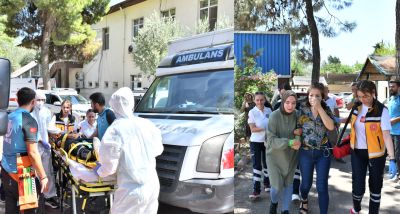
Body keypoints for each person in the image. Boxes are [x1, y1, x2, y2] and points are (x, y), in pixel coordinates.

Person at [94, 87, 163, 214]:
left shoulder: (115, 129)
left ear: (114, 107)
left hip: (131, 190)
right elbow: (158, 149)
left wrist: (99, 170)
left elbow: (109, 165)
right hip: (152, 185)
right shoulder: (146, 124)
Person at [349, 80, 397, 214]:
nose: (363, 99)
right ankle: (356, 208)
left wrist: (392, 159)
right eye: (359, 96)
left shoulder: (382, 110)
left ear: (373, 93)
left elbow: (387, 135)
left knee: (375, 187)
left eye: (366, 96)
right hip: (357, 152)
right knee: (358, 187)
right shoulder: (356, 107)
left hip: (377, 155)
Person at [1, 87, 49, 213]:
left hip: (6, 170)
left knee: (11, 208)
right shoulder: (28, 120)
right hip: (22, 173)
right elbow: (33, 152)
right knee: (30, 209)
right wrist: (43, 176)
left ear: (17, 101)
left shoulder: (9, 117)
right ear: (33, 101)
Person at [297, 82, 335, 214]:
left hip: (322, 153)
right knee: (306, 185)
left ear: (322, 97)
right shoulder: (301, 108)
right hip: (305, 153)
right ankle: (304, 199)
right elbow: (295, 128)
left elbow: (330, 127)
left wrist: (319, 108)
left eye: (317, 95)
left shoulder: (326, 108)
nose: (313, 98)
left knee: (322, 187)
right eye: (311, 95)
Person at [266, 90, 301, 214]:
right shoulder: (274, 116)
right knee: (275, 188)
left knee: (289, 185)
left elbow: (299, 131)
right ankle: (274, 202)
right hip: (274, 157)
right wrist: (290, 142)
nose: (290, 106)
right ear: (283, 102)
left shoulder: (298, 115)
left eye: (293, 103)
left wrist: (298, 138)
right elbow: (270, 141)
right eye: (287, 102)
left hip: (291, 157)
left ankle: (285, 210)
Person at [31, 90, 59, 209]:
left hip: (46, 147)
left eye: (43, 100)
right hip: (34, 146)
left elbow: (49, 127)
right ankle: (33, 197)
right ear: (34, 100)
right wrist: (42, 140)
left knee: (48, 171)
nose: (41, 102)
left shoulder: (47, 112)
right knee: (33, 172)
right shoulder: (30, 112)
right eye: (38, 100)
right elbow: (31, 130)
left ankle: (49, 196)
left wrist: (57, 133)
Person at [248, 91, 272, 200]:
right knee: (257, 166)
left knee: (267, 164)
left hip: (267, 141)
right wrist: (266, 129)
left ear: (265, 100)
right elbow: (253, 129)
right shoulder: (252, 112)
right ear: (254, 101)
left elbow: (272, 124)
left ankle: (267, 185)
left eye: (261, 99)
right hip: (255, 143)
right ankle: (256, 190)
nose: (259, 102)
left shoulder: (269, 110)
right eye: (257, 100)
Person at [388, 80, 400, 183]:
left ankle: (398, 176)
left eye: (393, 87)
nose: (391, 88)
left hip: (398, 132)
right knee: (391, 154)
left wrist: (395, 120)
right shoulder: (390, 99)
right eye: (390, 86)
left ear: (398, 88)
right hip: (390, 132)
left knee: (398, 155)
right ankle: (396, 173)